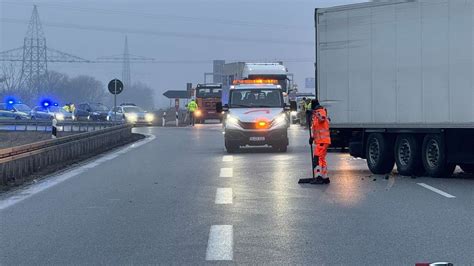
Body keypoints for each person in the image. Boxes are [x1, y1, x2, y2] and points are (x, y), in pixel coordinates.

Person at [309, 99, 331, 184]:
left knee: (317, 159)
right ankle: (325, 177)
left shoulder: (321, 111)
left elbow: (322, 118)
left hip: (323, 141)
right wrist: (312, 138)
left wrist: (314, 112)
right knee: (321, 159)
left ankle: (318, 177)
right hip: (322, 141)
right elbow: (316, 129)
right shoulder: (316, 115)